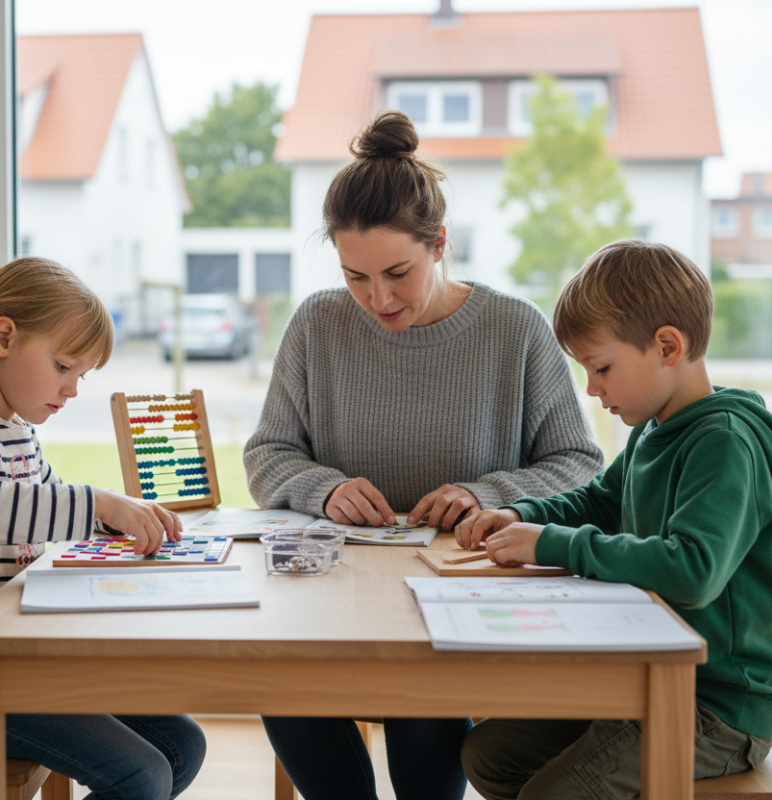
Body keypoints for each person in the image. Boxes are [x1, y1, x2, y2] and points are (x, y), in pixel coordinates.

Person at [244, 110, 603, 800]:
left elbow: (578, 464)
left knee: (424, 708)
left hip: (459, 590)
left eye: (397, 272)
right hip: (335, 591)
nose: (376, 299)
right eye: (355, 276)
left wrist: (487, 494)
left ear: (439, 245)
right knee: (282, 684)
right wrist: (324, 488)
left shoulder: (515, 329)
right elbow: (268, 454)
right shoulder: (316, 323)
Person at [455, 239, 772, 800]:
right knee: (488, 755)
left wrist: (552, 544)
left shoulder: (725, 443)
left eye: (602, 368)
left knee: (552, 794)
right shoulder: (655, 430)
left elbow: (692, 570)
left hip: (716, 707)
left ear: (667, 346)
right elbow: (599, 501)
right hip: (644, 675)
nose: (592, 389)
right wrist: (520, 513)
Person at [0, 257, 206, 800]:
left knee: (183, 743)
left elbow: (50, 506)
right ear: (3, 338)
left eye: (80, 375)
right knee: (143, 775)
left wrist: (122, 521)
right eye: (64, 367)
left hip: (11, 667)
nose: (73, 389)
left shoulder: (17, 432)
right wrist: (100, 503)